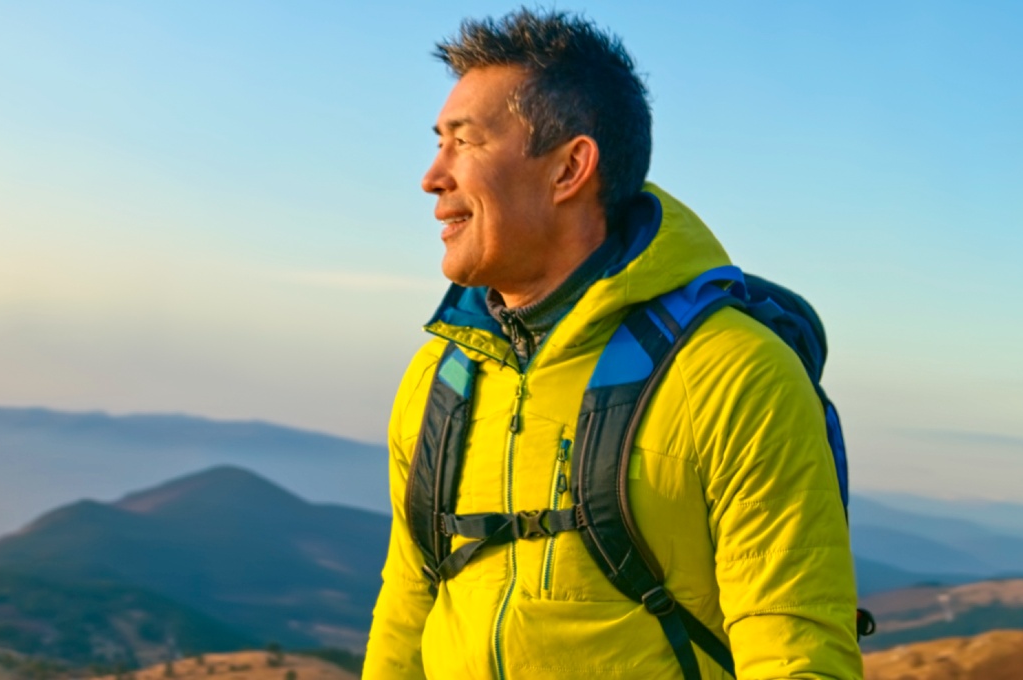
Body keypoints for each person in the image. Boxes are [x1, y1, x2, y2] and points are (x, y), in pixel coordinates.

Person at [362, 9, 863, 680]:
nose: (432, 176)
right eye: (437, 142)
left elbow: (795, 649)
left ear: (570, 168)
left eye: (465, 142)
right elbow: (408, 603)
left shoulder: (735, 373)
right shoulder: (442, 375)